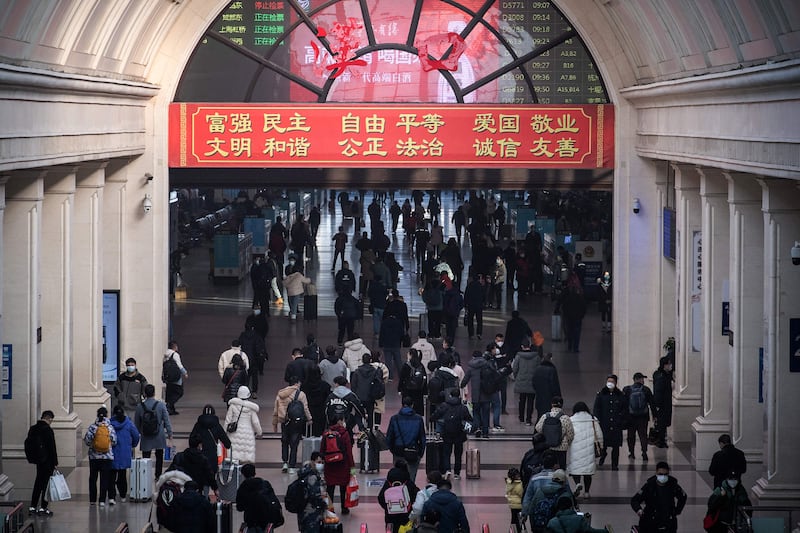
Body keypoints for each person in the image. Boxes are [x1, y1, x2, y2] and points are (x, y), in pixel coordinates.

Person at [630, 461, 687, 533]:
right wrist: (639, 510)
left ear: (668, 473)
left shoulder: (673, 484)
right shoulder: (650, 485)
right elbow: (635, 500)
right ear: (656, 472)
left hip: (668, 521)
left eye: (665, 474)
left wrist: (677, 510)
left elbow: (683, 497)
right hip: (650, 521)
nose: (663, 476)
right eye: (660, 474)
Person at [273, 375, 312, 474]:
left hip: (284, 421)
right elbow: (305, 408)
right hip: (296, 422)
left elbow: (276, 409)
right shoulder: (301, 394)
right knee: (294, 444)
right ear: (297, 383)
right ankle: (292, 465)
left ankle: (285, 462)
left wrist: (275, 424)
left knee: (284, 442)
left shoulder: (281, 393)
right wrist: (309, 418)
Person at [350, 353, 382, 472]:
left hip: (359, 397)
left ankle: (361, 427)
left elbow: (353, 385)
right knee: (370, 413)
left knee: (358, 413)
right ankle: (369, 429)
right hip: (370, 397)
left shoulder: (357, 372)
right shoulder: (374, 371)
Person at [432, 388, 472, 479]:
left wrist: (436, 420)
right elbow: (469, 419)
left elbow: (435, 415)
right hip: (459, 433)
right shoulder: (463, 407)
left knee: (446, 453)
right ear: (459, 396)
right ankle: (457, 473)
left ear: (450, 395)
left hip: (446, 432)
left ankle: (447, 470)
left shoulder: (444, 405)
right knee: (458, 454)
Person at [386, 396, 427, 484]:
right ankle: (410, 493)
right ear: (412, 405)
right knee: (411, 477)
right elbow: (422, 437)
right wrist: (421, 452)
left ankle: (400, 495)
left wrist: (392, 449)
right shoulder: (418, 419)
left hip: (398, 450)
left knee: (399, 477)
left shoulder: (395, 418)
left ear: (402, 405)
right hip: (413, 450)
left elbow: (389, 436)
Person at [135, 384, 173, 478]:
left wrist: (141, 432)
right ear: (154, 393)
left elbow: (136, 423)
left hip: (146, 436)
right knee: (159, 456)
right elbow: (167, 420)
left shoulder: (140, 406)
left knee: (146, 456)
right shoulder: (160, 405)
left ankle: (145, 476)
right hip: (159, 435)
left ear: (145, 394)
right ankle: (158, 475)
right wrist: (170, 435)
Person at [321, 414, 355, 515]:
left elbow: (322, 450)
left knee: (330, 488)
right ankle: (344, 508)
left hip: (330, 465)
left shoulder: (326, 434)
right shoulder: (344, 433)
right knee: (343, 488)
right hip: (343, 465)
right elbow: (349, 451)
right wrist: (352, 466)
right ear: (339, 421)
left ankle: (330, 508)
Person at [567, 401, 602, 500]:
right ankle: (587, 492)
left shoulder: (571, 420)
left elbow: (569, 434)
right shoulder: (592, 419)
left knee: (575, 469)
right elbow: (599, 434)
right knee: (588, 472)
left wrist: (569, 444)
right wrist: (601, 446)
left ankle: (578, 483)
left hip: (575, 448)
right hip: (589, 448)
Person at [84, 406, 118, 507]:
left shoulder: (93, 427)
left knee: (93, 478)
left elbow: (87, 440)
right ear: (107, 415)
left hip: (94, 457)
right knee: (105, 479)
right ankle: (102, 500)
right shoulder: (110, 427)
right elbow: (114, 441)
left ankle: (92, 500)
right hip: (107, 457)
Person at [27, 410, 58, 516]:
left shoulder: (33, 428)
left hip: (38, 461)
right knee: (46, 485)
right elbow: (51, 447)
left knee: (38, 483)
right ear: (49, 418)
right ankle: (43, 507)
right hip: (47, 461)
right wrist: (55, 462)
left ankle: (33, 506)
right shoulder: (47, 430)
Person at [592, 374, 627, 470]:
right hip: (604, 425)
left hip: (616, 425)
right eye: (609, 381)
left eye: (612, 381)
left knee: (616, 447)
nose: (610, 383)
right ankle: (602, 456)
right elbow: (596, 409)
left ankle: (614, 465)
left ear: (615, 383)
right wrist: (597, 421)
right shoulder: (601, 394)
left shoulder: (620, 395)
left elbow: (624, 409)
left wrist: (621, 420)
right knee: (604, 445)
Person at [236, 464, 284, 532]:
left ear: (243, 474)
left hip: (251, 520)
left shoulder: (243, 488)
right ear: (254, 473)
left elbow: (239, 507)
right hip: (266, 518)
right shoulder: (265, 483)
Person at [377, 458, 421, 533]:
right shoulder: (407, 481)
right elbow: (416, 494)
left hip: (390, 514)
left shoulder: (389, 482)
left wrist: (387, 507)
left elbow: (381, 497)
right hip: (405, 514)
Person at [169, 432, 219, 497]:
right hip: (197, 491)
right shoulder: (203, 459)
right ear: (199, 445)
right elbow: (210, 476)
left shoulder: (179, 456)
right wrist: (215, 488)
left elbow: (170, 472)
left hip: (182, 491)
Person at [109, 405, 140, 504]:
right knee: (122, 476)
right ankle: (123, 495)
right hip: (124, 454)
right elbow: (136, 436)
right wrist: (132, 445)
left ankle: (112, 497)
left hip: (112, 454)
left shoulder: (109, 424)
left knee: (112, 477)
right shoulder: (129, 423)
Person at [189, 404, 231, 477]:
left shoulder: (198, 425)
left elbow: (191, 441)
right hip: (212, 456)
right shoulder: (217, 425)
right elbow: (226, 442)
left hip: (200, 455)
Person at [534, 396, 575, 470]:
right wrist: (567, 443)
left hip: (548, 446)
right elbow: (570, 434)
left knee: (548, 468)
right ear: (561, 405)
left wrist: (547, 434)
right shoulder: (565, 418)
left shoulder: (545, 416)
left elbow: (538, 428)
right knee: (561, 468)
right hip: (561, 448)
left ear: (552, 404)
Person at [225, 386, 262, 464]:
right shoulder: (251, 408)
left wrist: (224, 432)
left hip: (234, 432)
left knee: (234, 456)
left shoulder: (233, 405)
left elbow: (228, 420)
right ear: (248, 395)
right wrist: (259, 433)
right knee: (246, 457)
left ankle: (235, 473)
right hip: (247, 433)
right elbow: (255, 422)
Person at [461, 350, 492, 438]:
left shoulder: (471, 367)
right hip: (486, 394)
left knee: (476, 413)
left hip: (476, 395)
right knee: (486, 414)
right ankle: (485, 433)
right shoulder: (487, 365)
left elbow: (465, 380)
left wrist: (461, 385)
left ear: (473, 357)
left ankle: (477, 428)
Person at [623, 372, 654, 462]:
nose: (643, 380)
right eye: (642, 379)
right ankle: (644, 452)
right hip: (643, 417)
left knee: (631, 436)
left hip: (631, 417)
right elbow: (652, 403)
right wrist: (655, 416)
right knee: (643, 435)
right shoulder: (646, 390)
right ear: (638, 379)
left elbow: (624, 404)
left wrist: (624, 416)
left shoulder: (627, 389)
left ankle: (631, 453)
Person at [295, 452, 328, 532]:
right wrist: (325, 504)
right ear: (312, 461)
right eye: (319, 462)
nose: (321, 465)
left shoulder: (305, 472)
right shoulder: (312, 476)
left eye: (322, 463)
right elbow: (315, 494)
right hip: (311, 513)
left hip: (303, 513)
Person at [512, 337, 540, 425]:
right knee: (530, 401)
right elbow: (538, 369)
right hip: (532, 382)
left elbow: (515, 368)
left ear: (522, 346)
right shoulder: (536, 357)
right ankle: (528, 419)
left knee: (522, 400)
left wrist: (517, 377)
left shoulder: (518, 356)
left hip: (521, 381)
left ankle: (521, 418)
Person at [239, 321, 266, 397]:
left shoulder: (242, 335)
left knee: (245, 376)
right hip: (254, 360)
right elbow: (260, 347)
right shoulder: (257, 336)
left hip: (245, 359)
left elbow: (240, 346)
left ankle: (245, 391)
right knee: (254, 377)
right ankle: (254, 392)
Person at [651, 356, 674, 448]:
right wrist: (657, 405)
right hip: (662, 404)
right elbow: (659, 392)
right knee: (661, 423)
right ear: (664, 365)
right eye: (669, 364)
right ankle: (660, 441)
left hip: (664, 403)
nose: (670, 366)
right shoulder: (661, 376)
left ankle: (661, 440)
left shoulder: (663, 374)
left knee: (662, 423)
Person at [532, 352, 562, 421]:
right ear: (550, 359)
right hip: (549, 399)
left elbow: (534, 382)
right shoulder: (552, 370)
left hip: (539, 398)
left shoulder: (537, 369)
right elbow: (555, 386)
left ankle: (537, 431)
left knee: (540, 417)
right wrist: (558, 397)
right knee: (549, 418)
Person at [304, 365, 332, 437]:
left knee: (309, 433)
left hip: (309, 411)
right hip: (321, 412)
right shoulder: (325, 386)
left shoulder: (304, 386)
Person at [399, 348, 428, 416]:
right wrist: (425, 391)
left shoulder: (406, 365)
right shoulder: (420, 365)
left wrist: (400, 389)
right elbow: (424, 378)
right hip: (419, 391)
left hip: (407, 390)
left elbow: (402, 378)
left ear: (410, 355)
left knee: (407, 408)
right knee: (417, 410)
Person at [162, 341, 188, 415]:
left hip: (168, 377)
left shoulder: (165, 355)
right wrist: (185, 372)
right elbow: (179, 365)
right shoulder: (175, 354)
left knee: (170, 392)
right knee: (179, 392)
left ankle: (172, 409)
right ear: (174, 346)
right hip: (176, 377)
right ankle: (169, 405)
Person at [464, 274, 485, 339]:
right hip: (479, 305)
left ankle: (471, 334)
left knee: (470, 320)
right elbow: (484, 295)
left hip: (471, 305)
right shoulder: (480, 286)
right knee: (479, 320)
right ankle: (479, 333)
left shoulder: (469, 286)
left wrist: (465, 304)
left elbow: (466, 295)